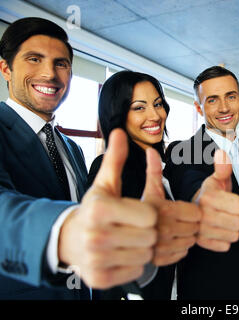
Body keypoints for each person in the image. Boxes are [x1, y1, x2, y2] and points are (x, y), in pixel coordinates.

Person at [0, 17, 160, 299]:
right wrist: (67, 233)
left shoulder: (71, 148)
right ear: (6, 69)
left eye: (61, 63)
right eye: (34, 59)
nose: (50, 74)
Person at [165, 66, 239, 299]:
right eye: (212, 100)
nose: (224, 107)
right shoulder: (183, 151)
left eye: (231, 96)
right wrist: (203, 199)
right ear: (199, 107)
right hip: (217, 292)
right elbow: (190, 184)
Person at [86, 70, 201, 299]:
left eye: (158, 104)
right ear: (117, 114)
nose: (155, 115)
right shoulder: (110, 168)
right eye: (139, 107)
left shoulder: (164, 166)